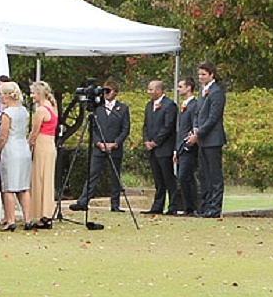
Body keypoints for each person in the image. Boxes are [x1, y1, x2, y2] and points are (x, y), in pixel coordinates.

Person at [71, 81, 130, 213]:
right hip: (99, 148)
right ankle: (83, 201)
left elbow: (125, 128)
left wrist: (115, 143)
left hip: (114, 147)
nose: (106, 94)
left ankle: (115, 204)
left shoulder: (123, 108)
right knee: (92, 174)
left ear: (115, 92)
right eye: (104, 91)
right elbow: (92, 128)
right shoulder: (97, 108)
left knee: (115, 176)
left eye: (108, 91)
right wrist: (98, 143)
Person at [0, 79, 33, 229]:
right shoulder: (24, 111)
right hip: (23, 148)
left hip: (11, 149)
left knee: (8, 186)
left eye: (2, 94)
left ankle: (10, 220)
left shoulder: (6, 113)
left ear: (7, 95)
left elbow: (3, 136)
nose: (0, 97)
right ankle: (27, 219)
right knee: (23, 186)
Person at [192, 63, 226, 218]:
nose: (200, 77)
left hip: (213, 139)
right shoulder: (201, 92)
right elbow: (197, 113)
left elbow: (213, 117)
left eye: (203, 74)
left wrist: (199, 132)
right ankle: (205, 206)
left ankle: (215, 207)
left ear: (212, 75)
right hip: (202, 140)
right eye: (199, 74)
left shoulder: (216, 92)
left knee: (214, 175)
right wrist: (195, 127)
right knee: (204, 174)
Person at [142, 79, 180, 216]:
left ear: (159, 90)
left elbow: (168, 127)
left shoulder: (169, 105)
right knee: (158, 180)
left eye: (151, 90)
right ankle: (157, 205)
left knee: (168, 178)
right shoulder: (148, 106)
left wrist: (155, 142)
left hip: (164, 148)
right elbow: (145, 125)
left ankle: (173, 206)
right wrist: (146, 140)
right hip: (152, 150)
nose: (149, 92)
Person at [28, 81, 60, 227]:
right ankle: (45, 212)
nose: (31, 96)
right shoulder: (53, 107)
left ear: (39, 93)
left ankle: (43, 213)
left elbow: (34, 133)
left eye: (33, 93)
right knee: (47, 179)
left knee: (39, 178)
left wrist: (28, 145)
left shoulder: (41, 110)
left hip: (42, 144)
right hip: (50, 144)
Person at [173, 79, 200, 216]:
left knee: (186, 176)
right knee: (183, 177)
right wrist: (176, 150)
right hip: (181, 147)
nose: (178, 89)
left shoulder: (194, 105)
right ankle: (188, 207)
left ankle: (193, 207)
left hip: (188, 147)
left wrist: (190, 140)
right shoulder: (183, 106)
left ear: (189, 88)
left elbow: (193, 125)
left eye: (180, 87)